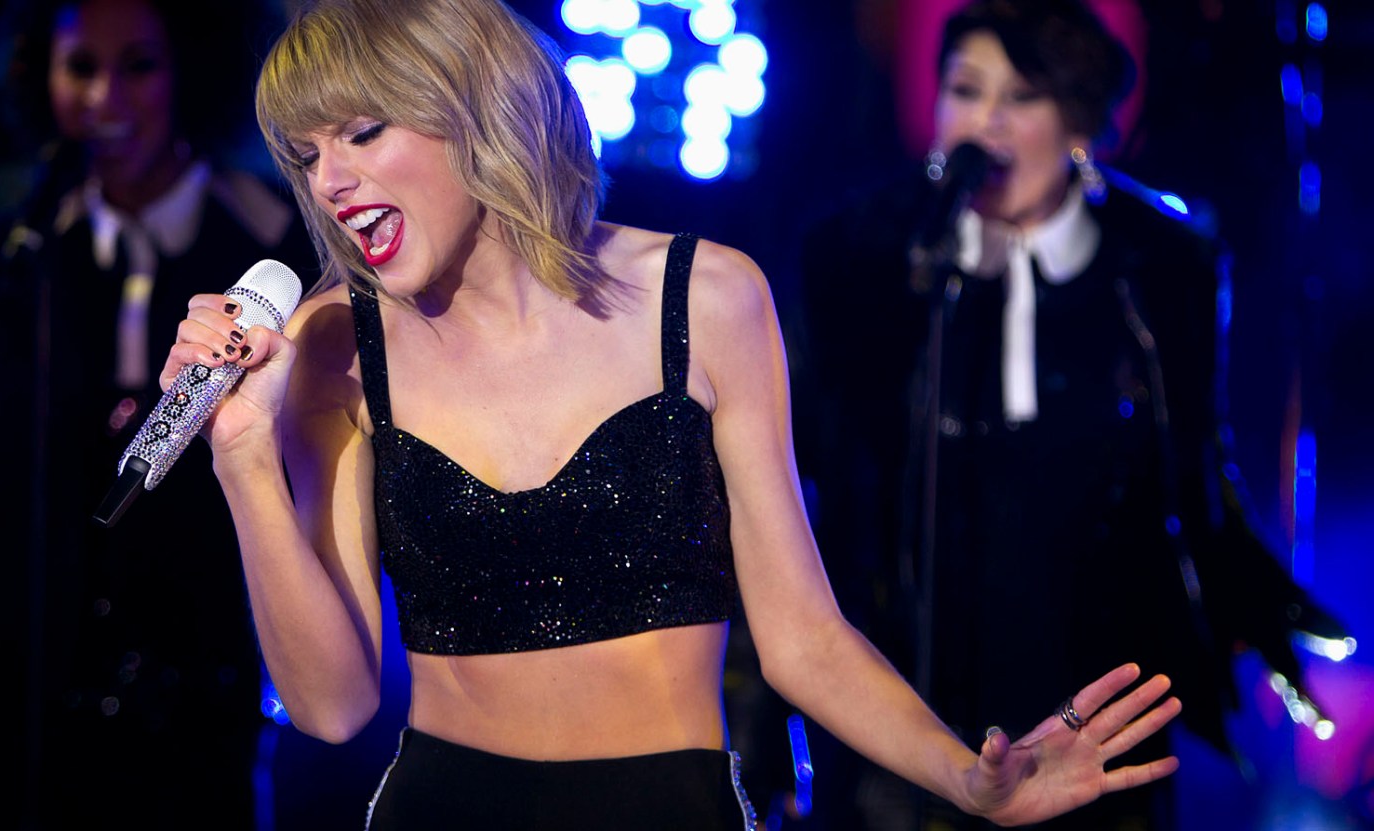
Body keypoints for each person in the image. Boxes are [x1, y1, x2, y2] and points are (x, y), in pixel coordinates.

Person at [152, 0, 1186, 827]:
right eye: (307, 154)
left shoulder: (708, 297)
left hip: (669, 805)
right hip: (441, 804)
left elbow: (803, 641)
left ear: (476, 106)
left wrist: (968, 780)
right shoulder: (335, 346)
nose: (330, 183)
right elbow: (332, 707)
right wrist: (242, 459)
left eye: (364, 134)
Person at [797, 1, 1349, 829]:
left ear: (1080, 124)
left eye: (1022, 98)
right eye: (964, 90)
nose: (985, 122)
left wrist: (1253, 597)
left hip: (1094, 682)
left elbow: (1196, 467)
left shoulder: (1166, 263)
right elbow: (817, 477)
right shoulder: (868, 256)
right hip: (911, 684)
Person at [0, 0, 314, 827]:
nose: (106, 95)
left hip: (205, 673)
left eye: (137, 65)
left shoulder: (275, 245)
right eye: (80, 67)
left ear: (186, 71)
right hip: (25, 681)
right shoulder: (8, 254)